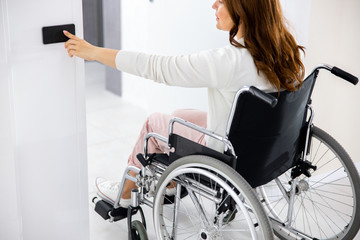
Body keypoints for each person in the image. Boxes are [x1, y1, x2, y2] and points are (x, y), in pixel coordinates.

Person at [64, 0, 305, 208]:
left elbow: (157, 67)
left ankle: (125, 193)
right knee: (179, 115)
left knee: (154, 123)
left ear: (241, 9)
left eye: (221, 1)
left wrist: (94, 52)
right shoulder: (285, 51)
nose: (213, 5)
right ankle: (169, 184)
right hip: (265, 147)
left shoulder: (228, 61)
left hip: (227, 155)